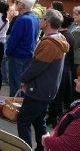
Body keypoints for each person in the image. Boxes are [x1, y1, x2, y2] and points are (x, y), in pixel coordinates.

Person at [17, 9, 69, 151]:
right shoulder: (59, 38)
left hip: (39, 90)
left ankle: (26, 149)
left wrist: (23, 79)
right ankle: (42, 148)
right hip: (47, 89)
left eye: (42, 18)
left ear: (46, 22)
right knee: (39, 121)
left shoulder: (50, 43)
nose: (39, 20)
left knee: (23, 121)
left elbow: (35, 67)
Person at [6, 0, 39, 97]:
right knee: (24, 84)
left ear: (23, 5)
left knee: (15, 83)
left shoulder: (22, 19)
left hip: (18, 54)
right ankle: (21, 106)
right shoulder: (35, 18)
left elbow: (14, 39)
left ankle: (13, 108)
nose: (16, 3)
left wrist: (8, 52)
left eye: (18, 2)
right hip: (29, 54)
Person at [47, 12, 75, 128]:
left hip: (61, 68)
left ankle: (53, 118)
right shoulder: (70, 35)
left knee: (56, 94)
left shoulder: (61, 37)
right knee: (61, 94)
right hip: (67, 68)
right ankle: (56, 116)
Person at [42, 67, 80, 151]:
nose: (75, 80)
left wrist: (46, 140)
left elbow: (64, 145)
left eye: (79, 80)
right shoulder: (77, 104)